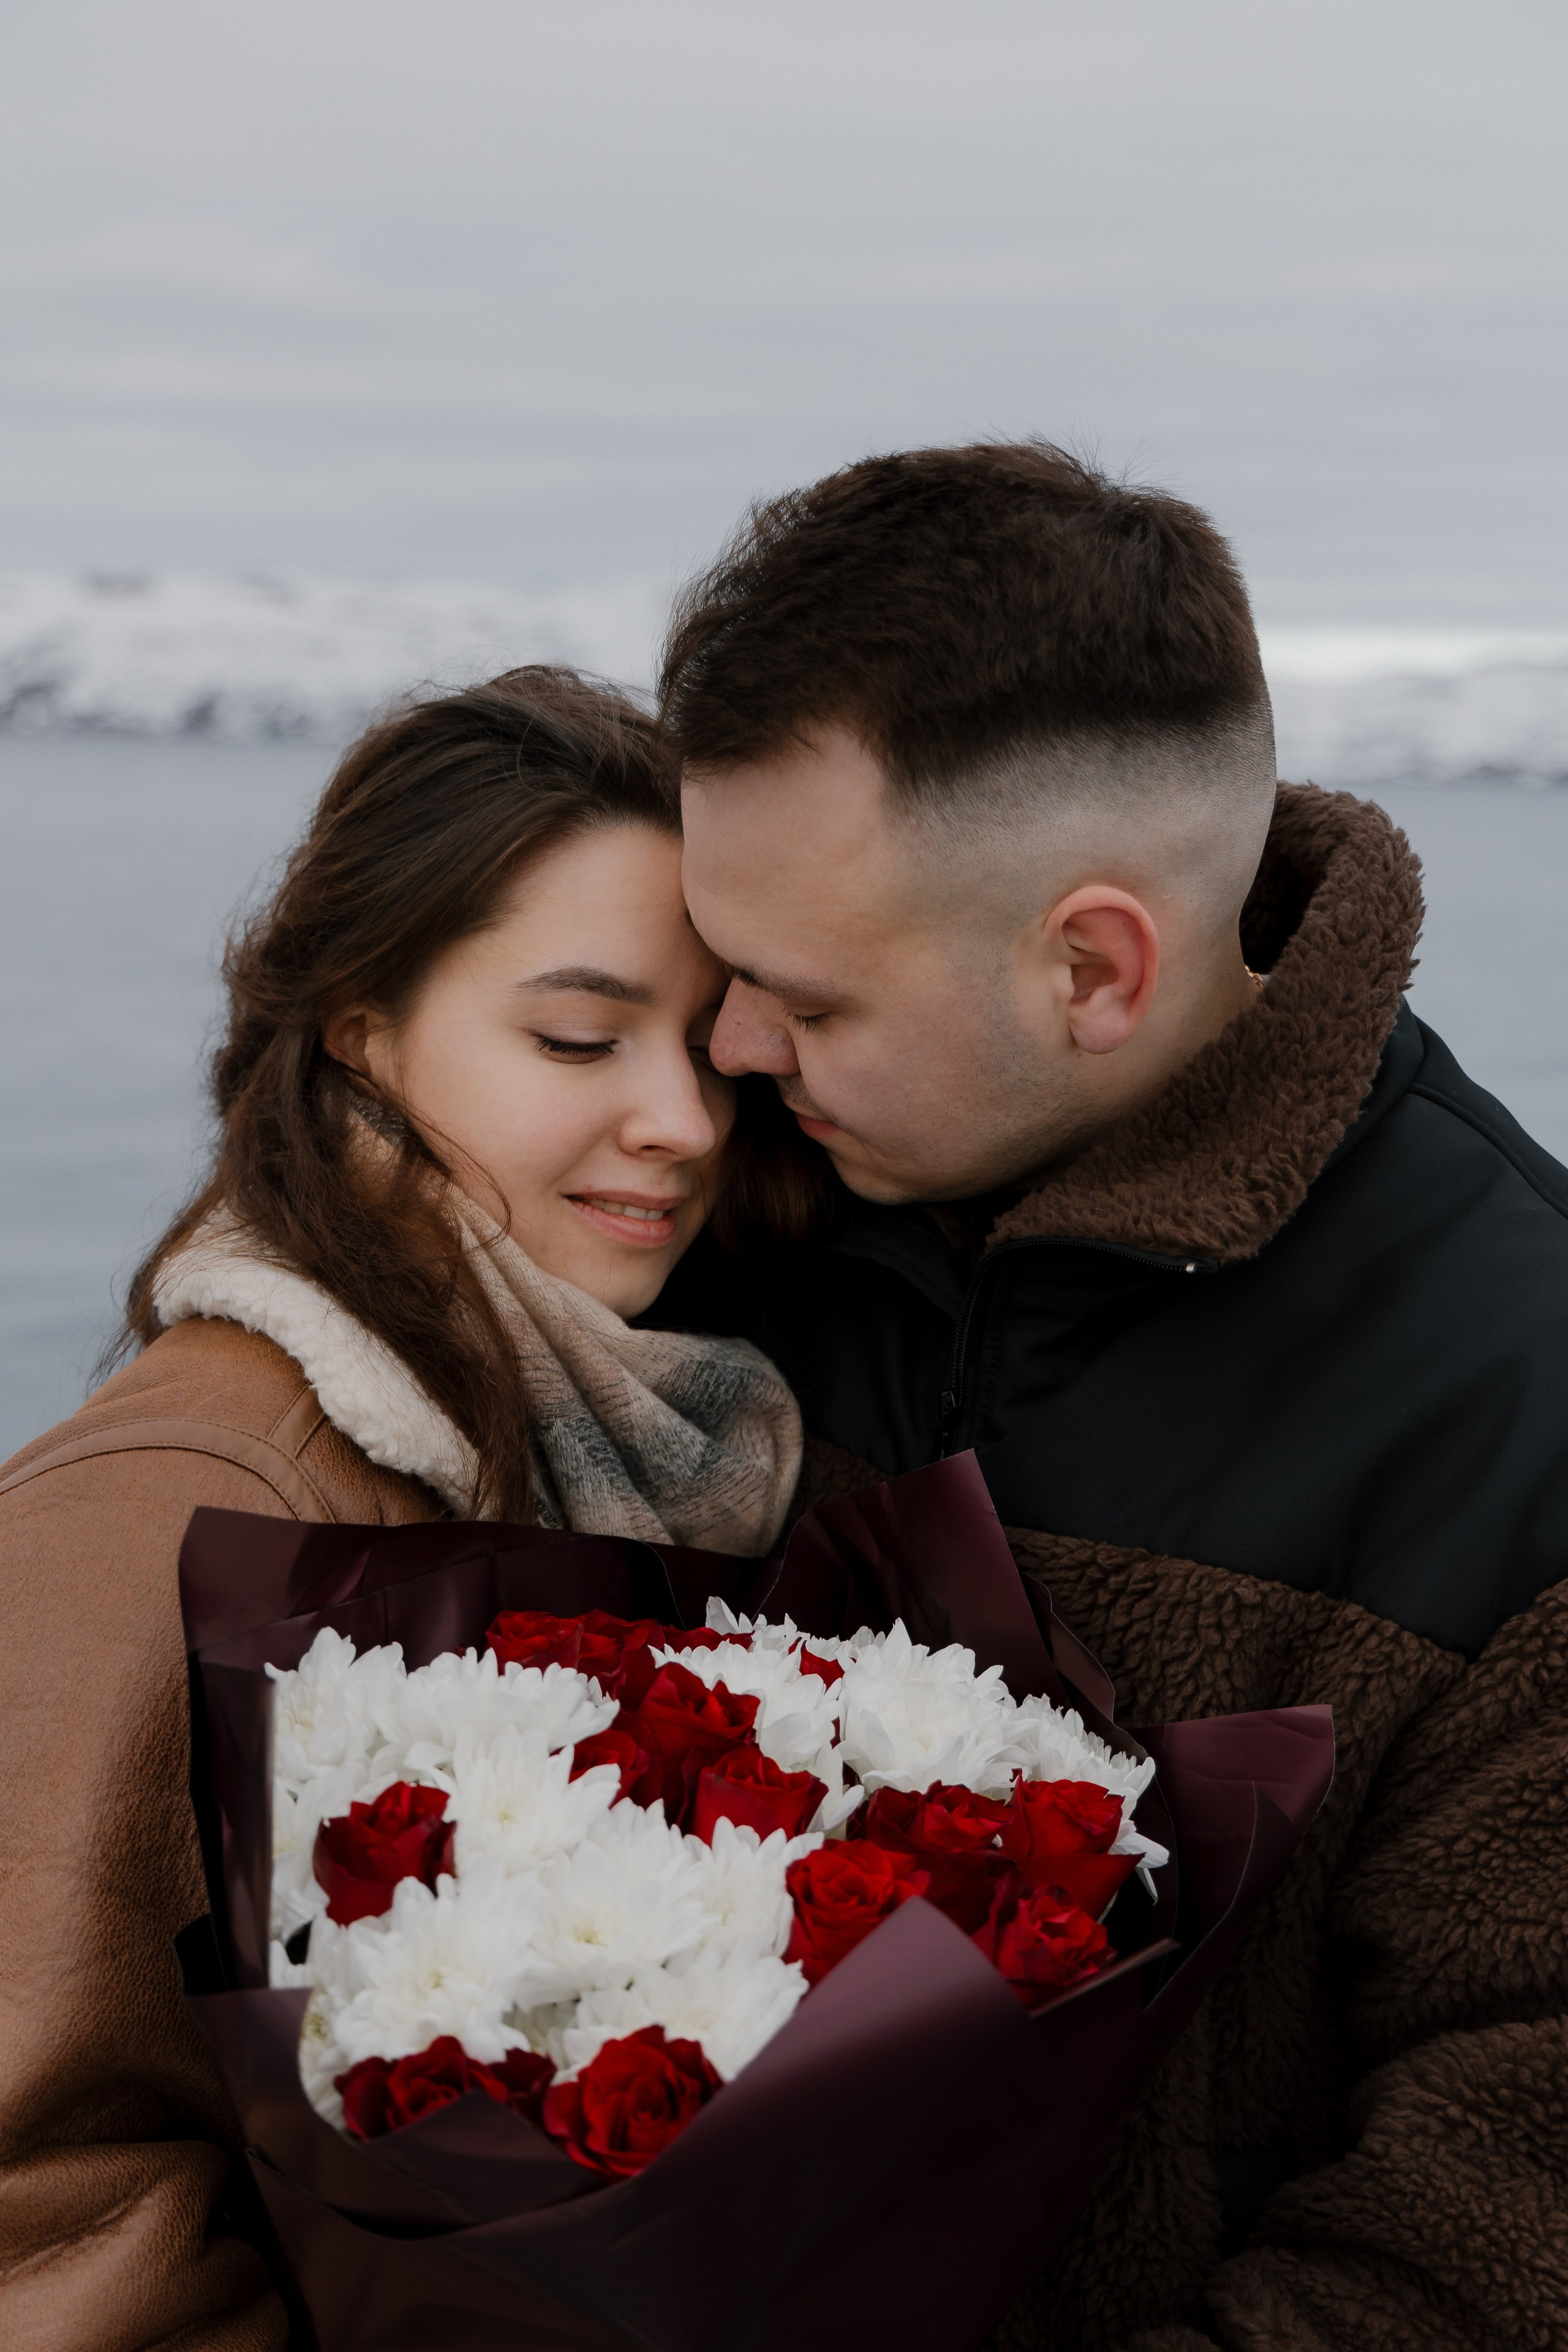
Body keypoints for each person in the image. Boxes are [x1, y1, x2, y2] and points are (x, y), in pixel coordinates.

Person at [654, 442, 1568, 2350]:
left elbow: (1500, 2232)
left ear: (1092, 966)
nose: (728, 1049)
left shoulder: (1525, 1402)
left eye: (804, 1000)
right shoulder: (707, 1216)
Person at [0, 666, 818, 2349]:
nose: (679, 1124)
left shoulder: (645, 1435)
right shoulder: (170, 1510)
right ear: (361, 1030)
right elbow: (33, 2212)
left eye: (706, 1049)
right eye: (579, 1038)